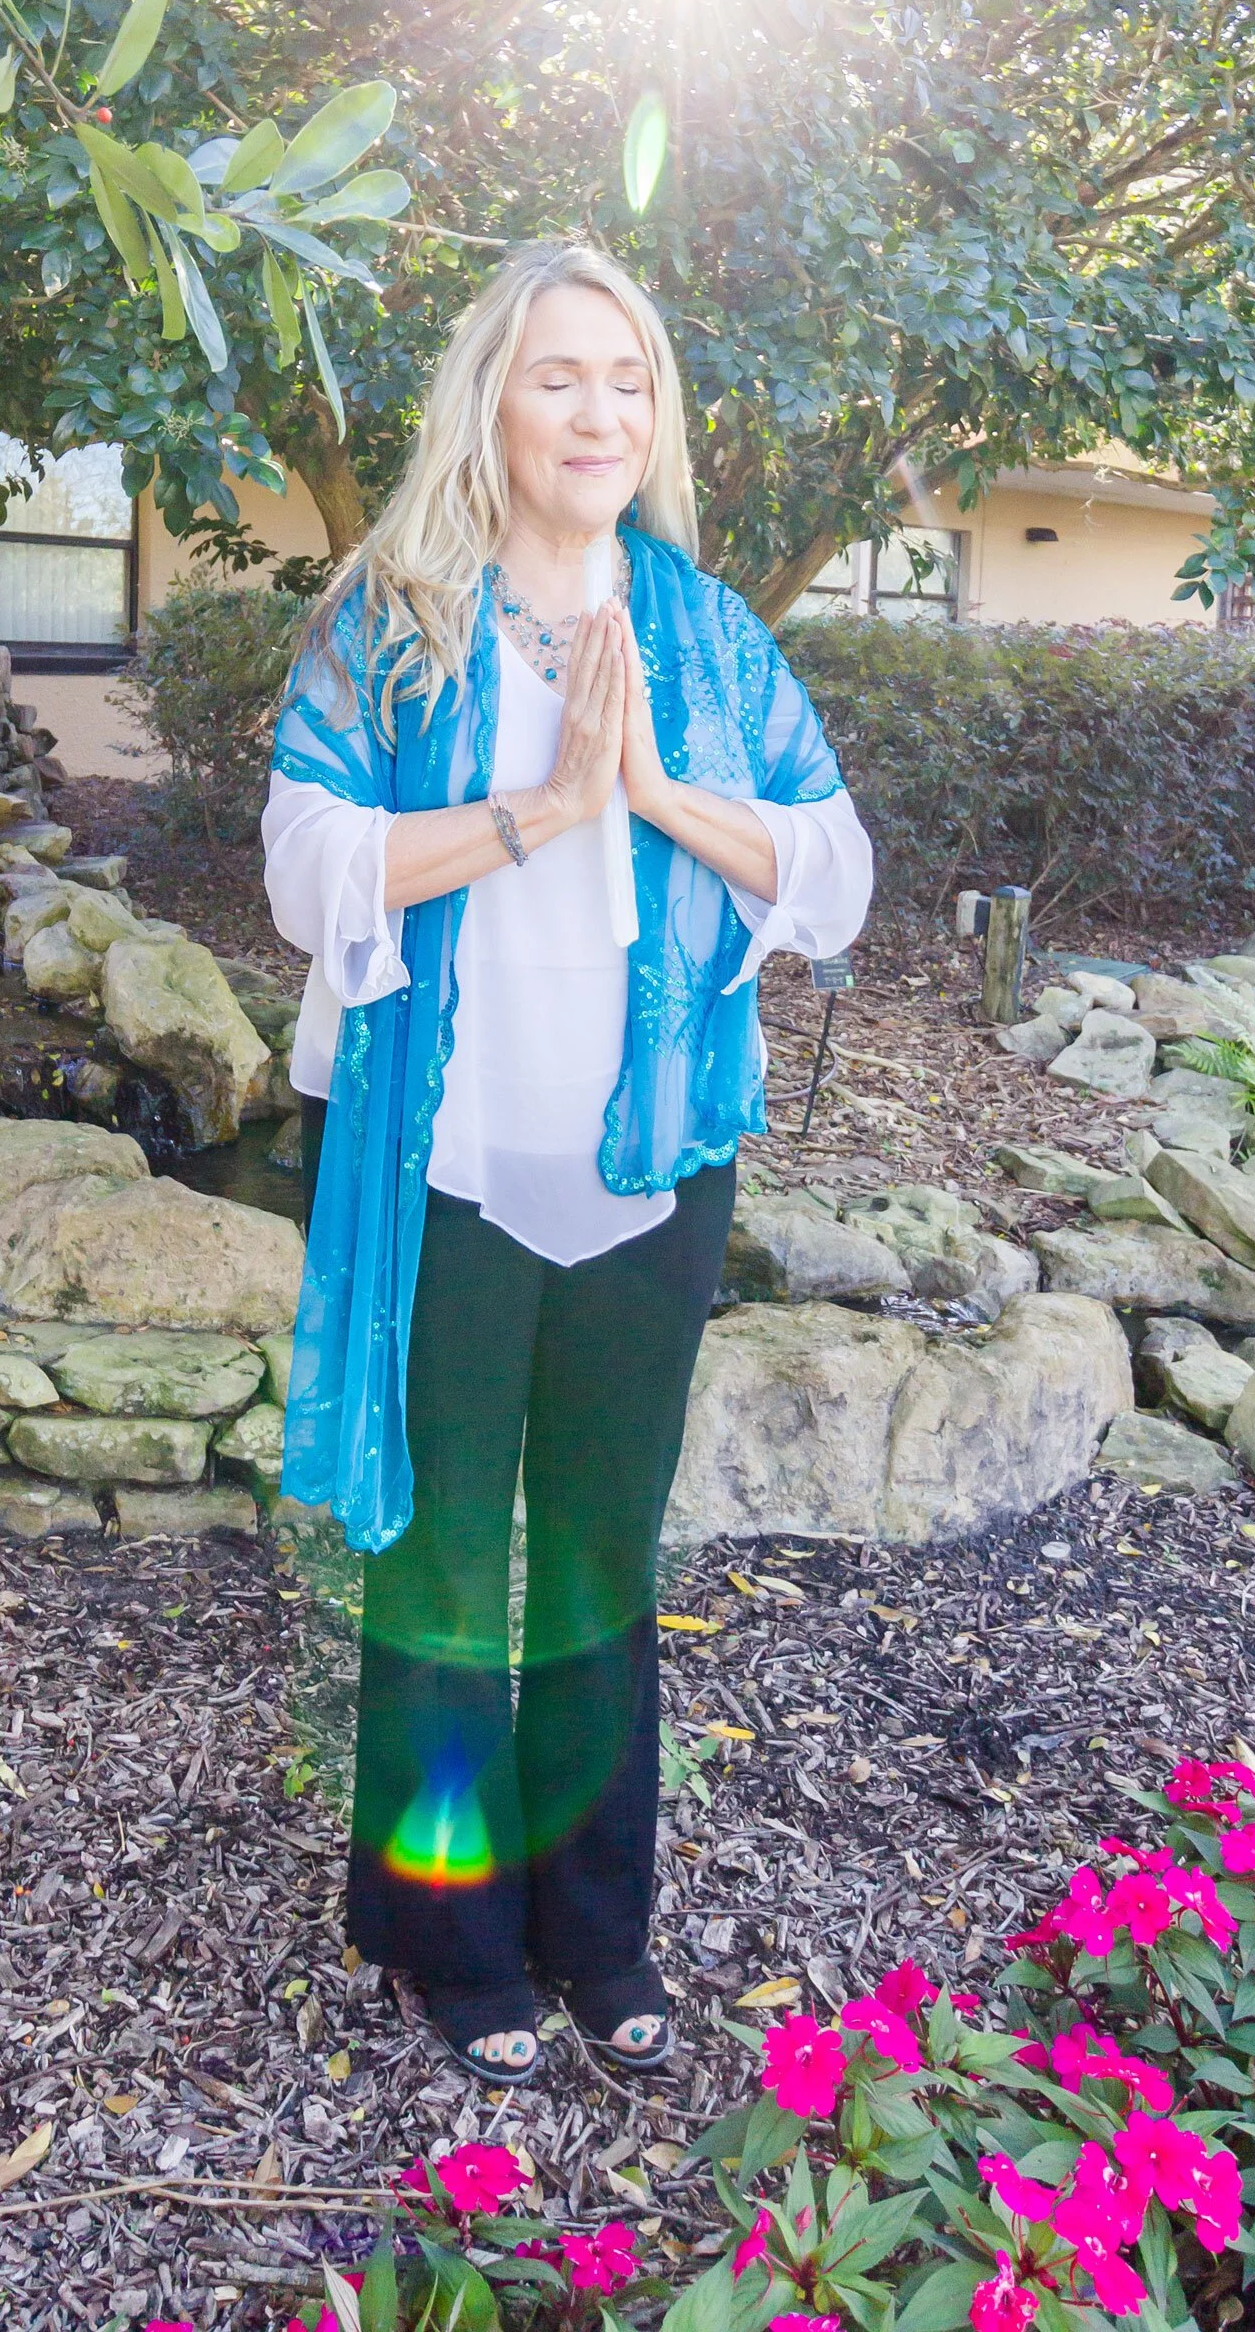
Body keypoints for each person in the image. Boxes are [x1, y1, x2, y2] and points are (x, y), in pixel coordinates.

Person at [262, 239, 871, 2085]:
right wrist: (535, 811)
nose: (597, 410)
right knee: (446, 1562)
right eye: (557, 376)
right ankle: (447, 1937)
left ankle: (599, 1931)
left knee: (602, 1553)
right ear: (493, 404)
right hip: (442, 1162)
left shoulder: (705, 636)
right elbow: (307, 873)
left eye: (628, 378)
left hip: (650, 1172)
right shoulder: (396, 618)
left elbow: (832, 881)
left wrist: (660, 793)